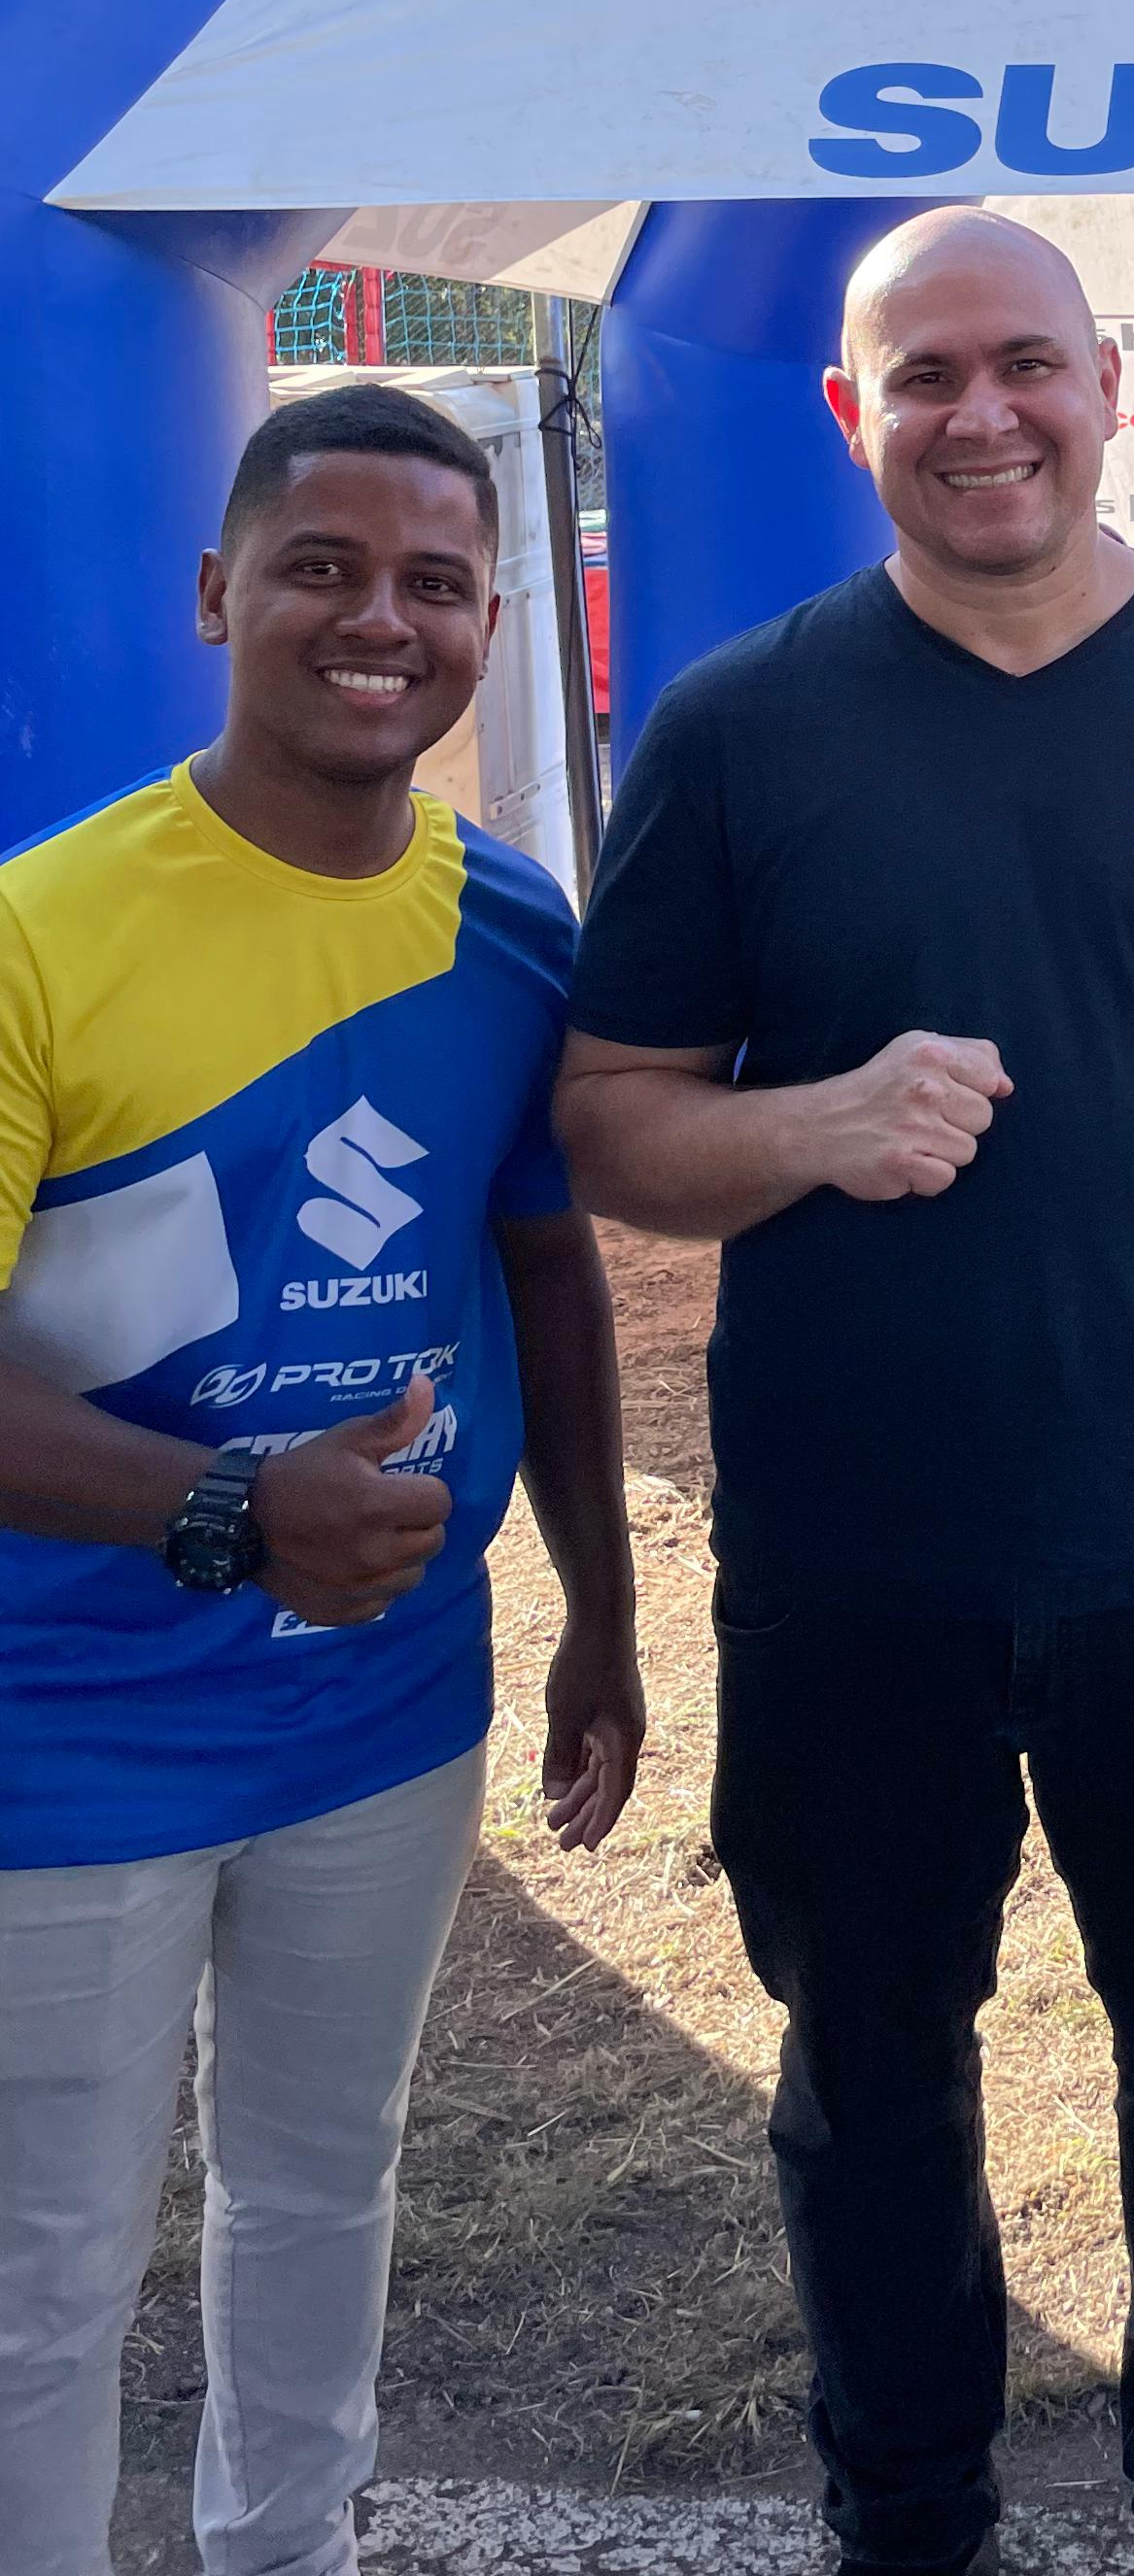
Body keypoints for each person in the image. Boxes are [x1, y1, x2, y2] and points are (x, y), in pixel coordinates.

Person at [552, 206, 1134, 2576]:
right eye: (925, 377)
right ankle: (908, 2521)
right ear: (848, 416)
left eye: (1024, 364)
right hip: (857, 1559)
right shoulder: (739, 724)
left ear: (1108, 385)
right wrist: (813, 1128)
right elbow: (616, 1122)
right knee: (871, 2077)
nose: (983, 416)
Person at [0, 383, 642, 2576]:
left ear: (486, 628)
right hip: (66, 1728)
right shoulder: (43, 932)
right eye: (324, 569)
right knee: (44, 2279)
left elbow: (545, 1268)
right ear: (217, 593)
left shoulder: (516, 924)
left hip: (382, 1705)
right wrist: (228, 1510)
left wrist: (602, 1614)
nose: (384, 620)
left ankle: (292, 2550)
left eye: (436, 583)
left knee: (320, 2185)